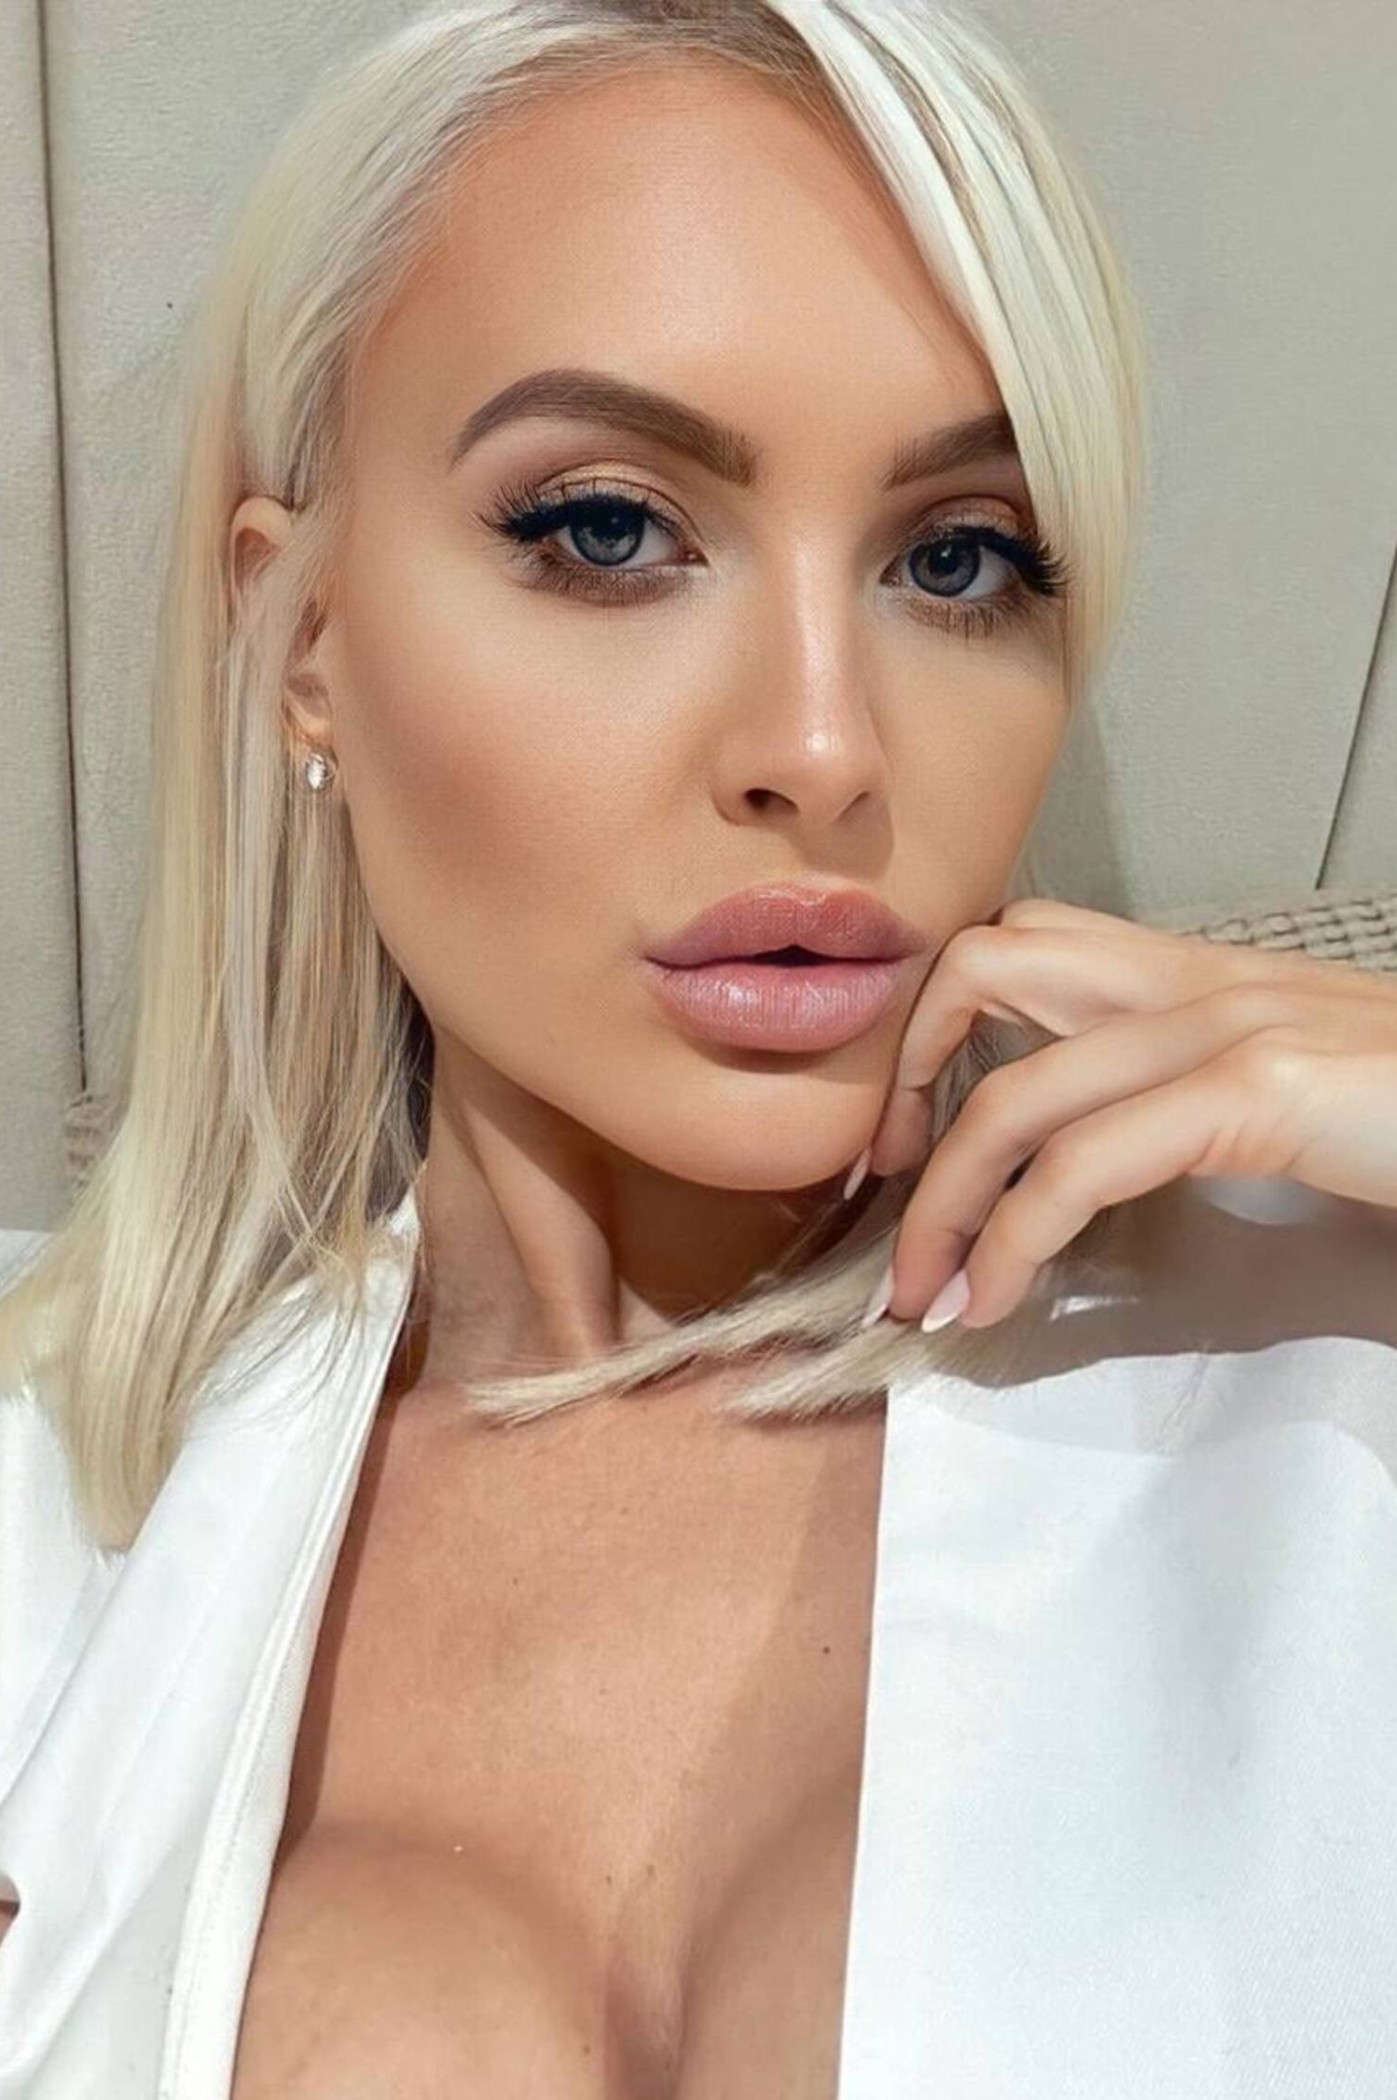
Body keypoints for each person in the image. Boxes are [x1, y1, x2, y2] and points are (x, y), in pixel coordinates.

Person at [3, 2, 1397, 2094]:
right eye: (604, 529)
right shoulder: (50, 1509)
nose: (823, 748)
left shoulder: (1344, 1343)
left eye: (957, 557)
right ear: (307, 641)